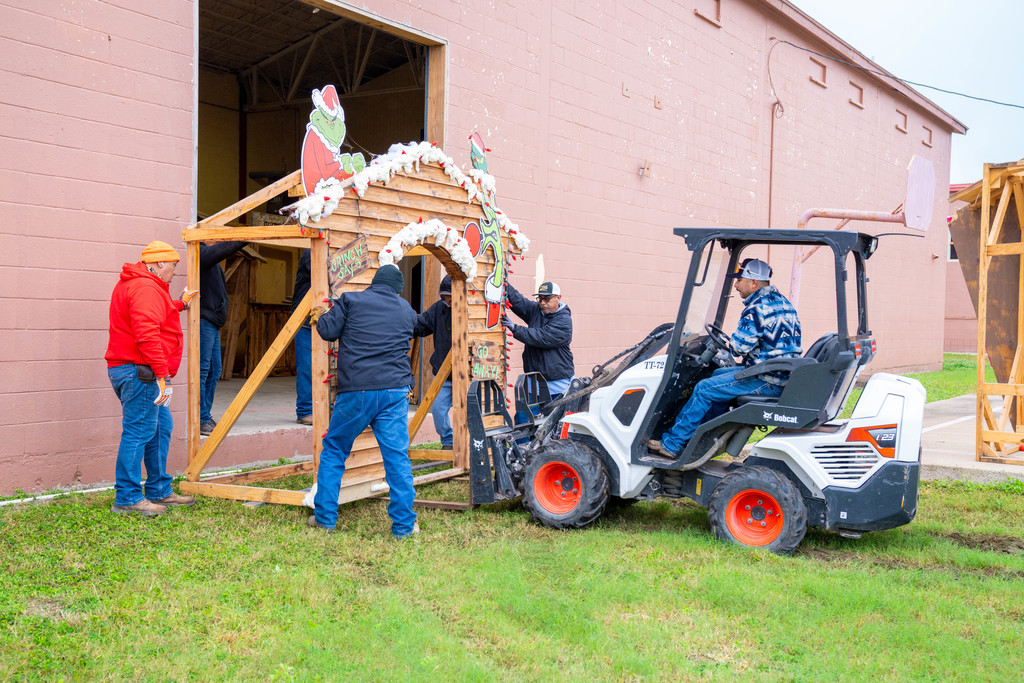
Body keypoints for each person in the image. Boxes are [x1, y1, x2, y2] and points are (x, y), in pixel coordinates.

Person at [308, 264, 419, 538]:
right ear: (397, 289)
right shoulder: (406, 309)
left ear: (374, 283)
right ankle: (404, 527)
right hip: (395, 391)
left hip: (357, 390)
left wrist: (323, 313)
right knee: (397, 458)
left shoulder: (351, 299)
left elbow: (327, 331)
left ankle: (324, 519)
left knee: (334, 449)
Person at [650, 258, 802, 458]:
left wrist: (728, 344)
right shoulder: (783, 303)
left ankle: (672, 443)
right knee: (718, 373)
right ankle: (704, 433)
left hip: (766, 378)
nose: (736, 285)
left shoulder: (756, 308)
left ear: (753, 282)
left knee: (704, 388)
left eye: (739, 280)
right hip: (778, 373)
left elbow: (738, 348)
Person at [105, 241, 197, 516]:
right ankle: (128, 498)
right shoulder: (145, 287)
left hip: (138, 370)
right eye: (173, 265)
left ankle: (158, 490)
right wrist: (163, 375)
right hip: (141, 372)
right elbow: (146, 333)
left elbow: (153, 311)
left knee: (158, 430)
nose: (174, 271)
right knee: (139, 431)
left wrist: (180, 304)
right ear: (158, 263)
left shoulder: (143, 284)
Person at [198, 241, 248, 435]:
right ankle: (201, 418)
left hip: (212, 322)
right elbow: (219, 251)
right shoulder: (201, 252)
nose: (220, 241)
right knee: (203, 370)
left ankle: (204, 415)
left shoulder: (210, 259)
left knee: (214, 370)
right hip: (205, 321)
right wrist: (245, 236)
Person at [502, 281, 575, 400]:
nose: (542, 303)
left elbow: (542, 337)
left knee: (555, 418)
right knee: (525, 418)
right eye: (540, 299)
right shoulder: (536, 310)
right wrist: (501, 280)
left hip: (558, 386)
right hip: (533, 384)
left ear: (559, 298)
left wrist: (515, 328)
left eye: (547, 299)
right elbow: (518, 300)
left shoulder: (564, 320)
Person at [413, 275, 453, 449]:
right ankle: (448, 441)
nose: (448, 300)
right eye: (446, 296)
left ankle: (473, 443)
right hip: (443, 372)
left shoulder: (472, 310)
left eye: (451, 295)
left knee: (471, 412)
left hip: (467, 373)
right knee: (437, 408)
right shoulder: (439, 308)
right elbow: (421, 326)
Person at [291, 249, 313, 425]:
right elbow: (327, 272)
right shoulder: (310, 253)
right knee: (306, 367)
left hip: (326, 320)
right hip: (305, 320)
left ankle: (325, 407)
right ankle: (305, 411)